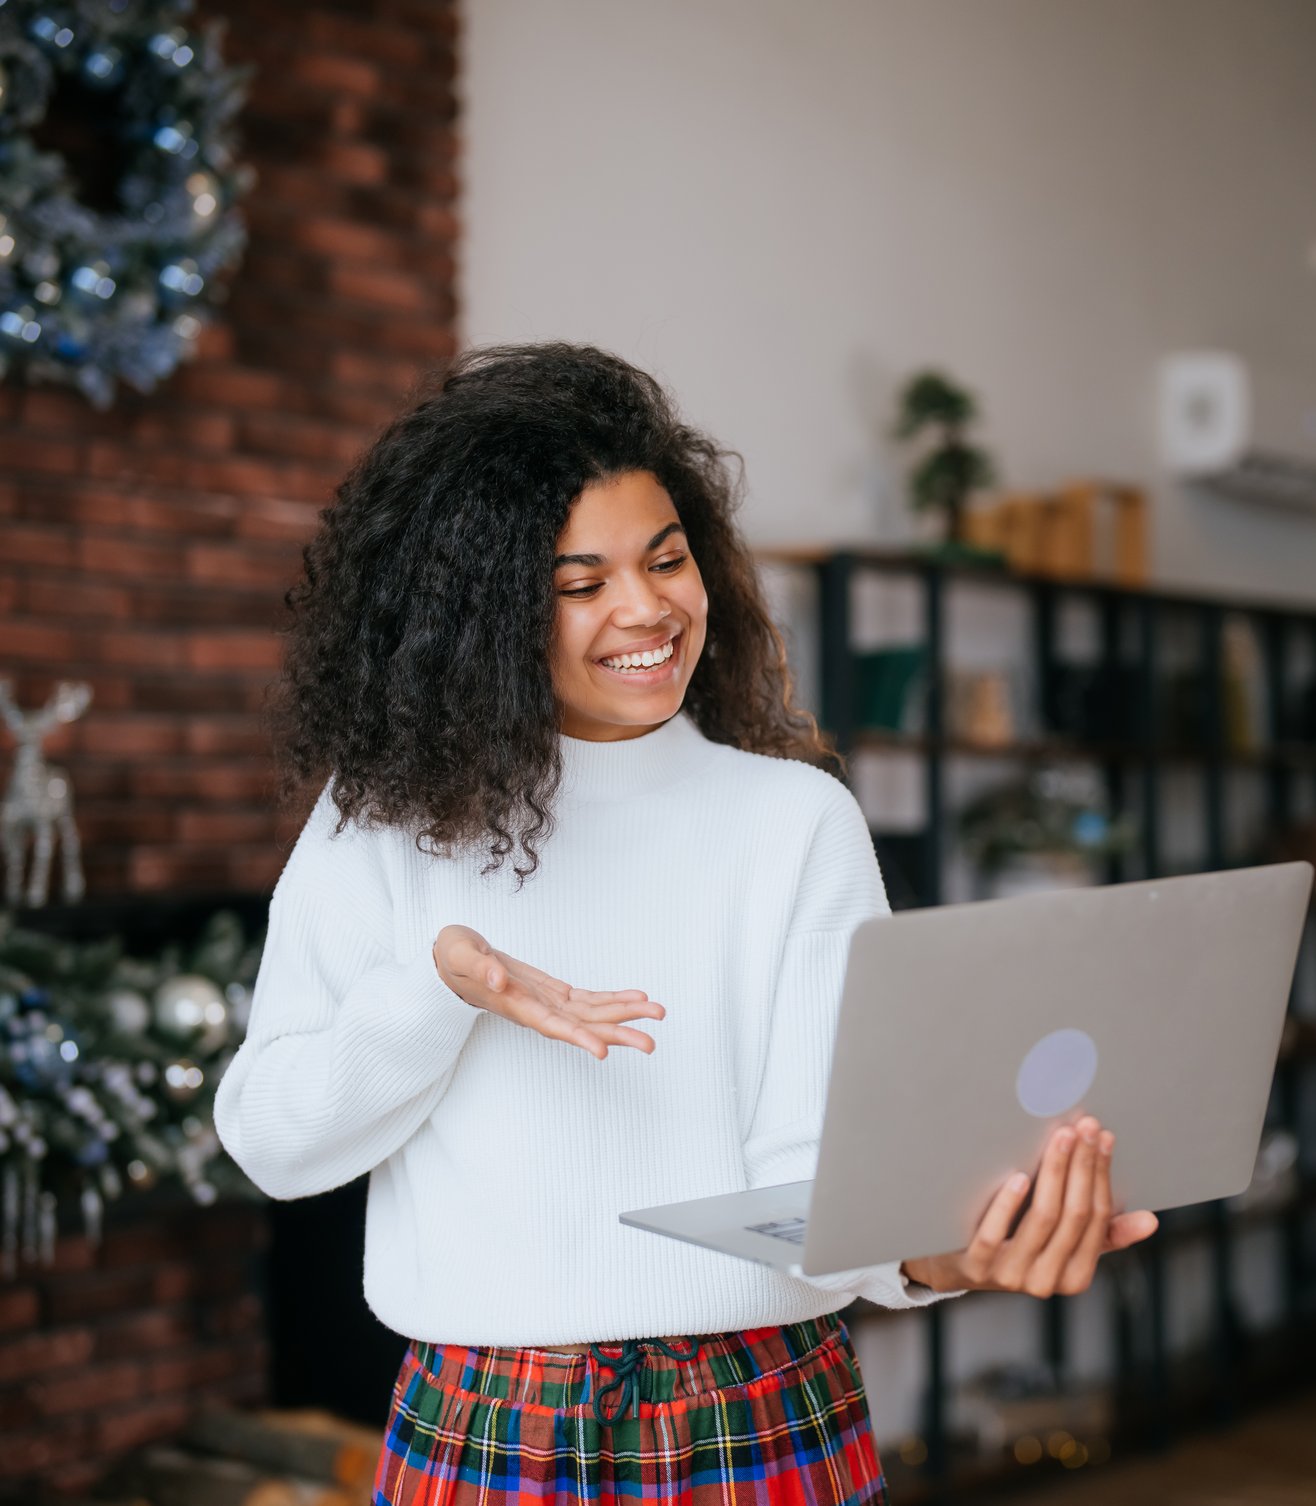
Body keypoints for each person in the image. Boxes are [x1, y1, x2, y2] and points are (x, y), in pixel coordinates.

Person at [214, 343, 1157, 1504]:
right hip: (490, 1421)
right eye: (580, 583)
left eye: (666, 559)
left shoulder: (794, 820)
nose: (646, 608)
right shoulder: (383, 822)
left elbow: (814, 1172)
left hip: (763, 1404)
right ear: (478, 614)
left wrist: (946, 1252)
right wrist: (437, 990)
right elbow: (273, 1146)